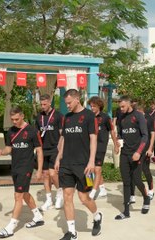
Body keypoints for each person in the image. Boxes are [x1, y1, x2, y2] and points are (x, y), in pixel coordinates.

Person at [54, 89, 102, 240]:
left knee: (84, 198)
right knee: (67, 196)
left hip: (83, 164)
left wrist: (91, 161)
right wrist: (58, 158)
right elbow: (63, 139)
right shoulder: (66, 118)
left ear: (77, 99)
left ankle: (97, 216)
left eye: (69, 103)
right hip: (66, 164)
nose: (67, 106)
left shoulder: (89, 116)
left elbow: (93, 139)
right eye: (65, 103)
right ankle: (71, 232)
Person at [0, 106, 44, 238]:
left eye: (16, 119)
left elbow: (39, 151)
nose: (14, 122)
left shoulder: (32, 131)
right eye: (12, 119)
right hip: (15, 167)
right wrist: (1, 152)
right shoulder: (10, 131)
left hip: (26, 167)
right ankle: (38, 216)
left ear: (22, 116)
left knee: (18, 196)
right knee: (25, 193)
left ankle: (11, 227)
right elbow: (8, 149)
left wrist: (39, 170)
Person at [115, 96, 151, 220]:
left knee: (137, 180)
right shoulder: (121, 116)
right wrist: (118, 142)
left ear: (129, 104)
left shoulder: (138, 115)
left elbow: (145, 136)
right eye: (120, 107)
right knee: (126, 182)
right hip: (125, 153)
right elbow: (120, 132)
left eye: (123, 106)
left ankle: (146, 198)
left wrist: (139, 152)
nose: (121, 109)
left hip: (137, 153)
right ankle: (126, 211)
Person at [35, 94, 64, 211]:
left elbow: (62, 134)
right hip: (43, 149)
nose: (42, 106)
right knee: (45, 174)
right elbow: (37, 134)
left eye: (45, 104)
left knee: (53, 174)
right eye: (41, 104)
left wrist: (61, 150)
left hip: (54, 149)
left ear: (50, 103)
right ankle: (48, 200)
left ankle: (60, 192)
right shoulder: (38, 117)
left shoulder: (58, 116)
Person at [87, 96, 119, 200]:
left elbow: (112, 131)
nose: (92, 108)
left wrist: (115, 144)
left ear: (99, 106)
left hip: (101, 146)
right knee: (91, 168)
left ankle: (94, 191)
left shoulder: (105, 117)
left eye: (94, 106)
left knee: (97, 168)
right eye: (91, 106)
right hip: (90, 146)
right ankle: (102, 189)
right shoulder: (89, 117)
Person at [136, 104, 155, 200]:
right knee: (136, 171)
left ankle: (151, 189)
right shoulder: (134, 119)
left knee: (146, 169)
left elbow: (152, 134)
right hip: (136, 149)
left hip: (146, 148)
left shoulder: (149, 119)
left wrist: (150, 148)